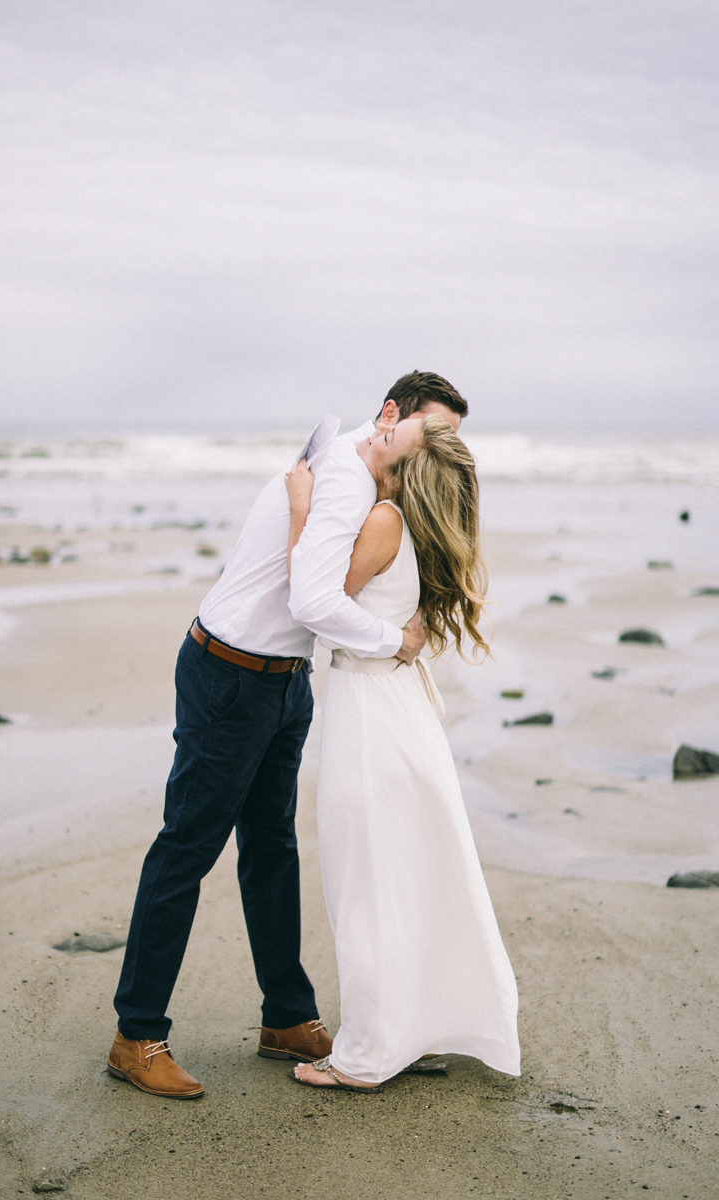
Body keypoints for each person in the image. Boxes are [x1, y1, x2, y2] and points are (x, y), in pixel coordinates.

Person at [107, 372, 468, 1099]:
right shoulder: (342, 484)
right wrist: (393, 642)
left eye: (449, 441)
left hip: (282, 681)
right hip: (230, 675)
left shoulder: (365, 485)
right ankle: (135, 1034)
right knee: (187, 847)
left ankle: (287, 1018)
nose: (437, 449)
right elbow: (312, 597)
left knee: (271, 848)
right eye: (432, 433)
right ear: (390, 416)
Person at [287, 415, 520, 1094]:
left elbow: (313, 593)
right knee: (408, 873)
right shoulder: (408, 521)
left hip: (372, 711)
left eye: (389, 440)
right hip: (396, 706)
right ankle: (414, 1030)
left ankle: (364, 1056)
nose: (373, 438)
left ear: (404, 468)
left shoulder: (386, 518)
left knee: (365, 880)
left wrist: (302, 506)